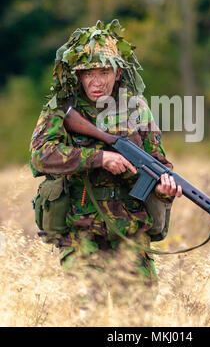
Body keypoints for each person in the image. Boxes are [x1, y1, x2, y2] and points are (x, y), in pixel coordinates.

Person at [30, 19, 182, 282]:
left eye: (104, 72)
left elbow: (158, 162)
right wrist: (99, 158)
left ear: (118, 73)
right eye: (88, 73)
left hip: (131, 233)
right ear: (78, 76)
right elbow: (41, 155)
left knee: (138, 316)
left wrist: (164, 189)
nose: (96, 82)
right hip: (80, 232)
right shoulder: (61, 109)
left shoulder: (136, 109)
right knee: (87, 315)